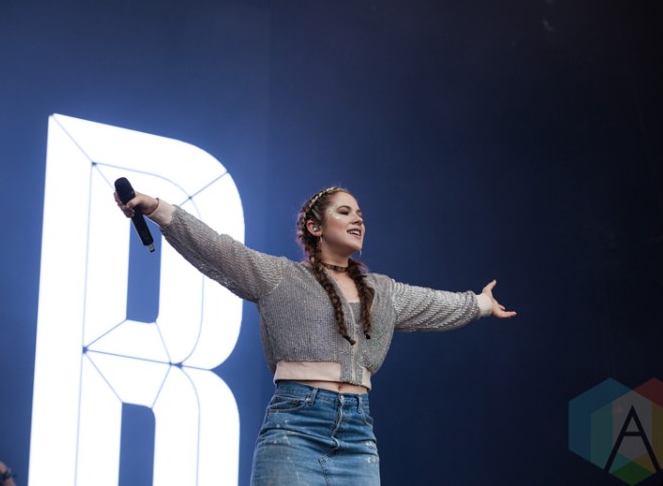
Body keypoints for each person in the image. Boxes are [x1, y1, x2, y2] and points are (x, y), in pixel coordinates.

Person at [115, 186, 516, 485]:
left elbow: (435, 304)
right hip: (295, 428)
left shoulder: (382, 291)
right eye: (345, 211)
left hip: (359, 437)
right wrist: (156, 208)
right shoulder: (280, 277)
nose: (358, 220)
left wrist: (480, 303)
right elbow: (218, 251)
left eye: (361, 214)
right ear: (315, 227)